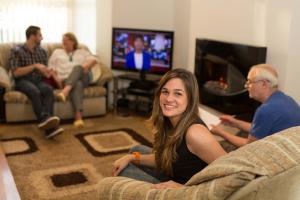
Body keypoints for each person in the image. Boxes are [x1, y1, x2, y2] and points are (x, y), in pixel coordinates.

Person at [112, 68, 227, 189]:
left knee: (124, 172)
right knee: (135, 151)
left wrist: (183, 188)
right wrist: (131, 157)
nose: (168, 99)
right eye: (165, 92)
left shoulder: (195, 133)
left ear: (190, 99)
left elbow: (231, 173)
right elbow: (166, 160)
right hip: (174, 176)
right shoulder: (170, 121)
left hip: (186, 192)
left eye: (178, 93)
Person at [211, 64, 300, 147]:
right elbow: (260, 128)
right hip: (291, 149)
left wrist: (220, 132)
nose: (246, 86)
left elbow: (248, 145)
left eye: (250, 82)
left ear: (263, 83)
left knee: (218, 144)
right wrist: (235, 123)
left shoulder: (266, 110)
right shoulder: (286, 99)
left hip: (278, 156)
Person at [9, 25, 64, 139]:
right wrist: (34, 66)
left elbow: (43, 72)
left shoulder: (42, 51)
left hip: (38, 79)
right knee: (35, 92)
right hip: (22, 80)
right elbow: (16, 73)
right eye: (39, 35)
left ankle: (48, 127)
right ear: (32, 36)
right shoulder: (16, 50)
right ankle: (47, 123)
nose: (42, 38)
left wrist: (48, 72)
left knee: (48, 90)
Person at [48, 32, 98, 128]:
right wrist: (57, 79)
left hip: (82, 78)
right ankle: (78, 117)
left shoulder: (82, 52)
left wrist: (87, 66)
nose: (63, 41)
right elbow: (51, 68)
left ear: (73, 41)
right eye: (63, 40)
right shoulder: (57, 52)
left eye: (66, 39)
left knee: (78, 68)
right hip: (65, 80)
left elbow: (95, 59)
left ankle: (65, 92)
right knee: (77, 84)